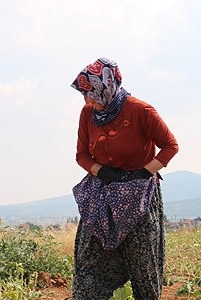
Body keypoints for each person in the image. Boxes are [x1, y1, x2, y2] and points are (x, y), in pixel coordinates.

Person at [70, 57, 179, 299]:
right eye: (85, 94)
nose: (87, 100)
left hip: (139, 196)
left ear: (106, 88)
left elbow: (170, 146)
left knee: (143, 262)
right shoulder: (87, 114)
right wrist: (102, 171)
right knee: (89, 261)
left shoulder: (140, 111)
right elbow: (81, 155)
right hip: (102, 194)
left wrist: (144, 172)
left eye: (92, 93)